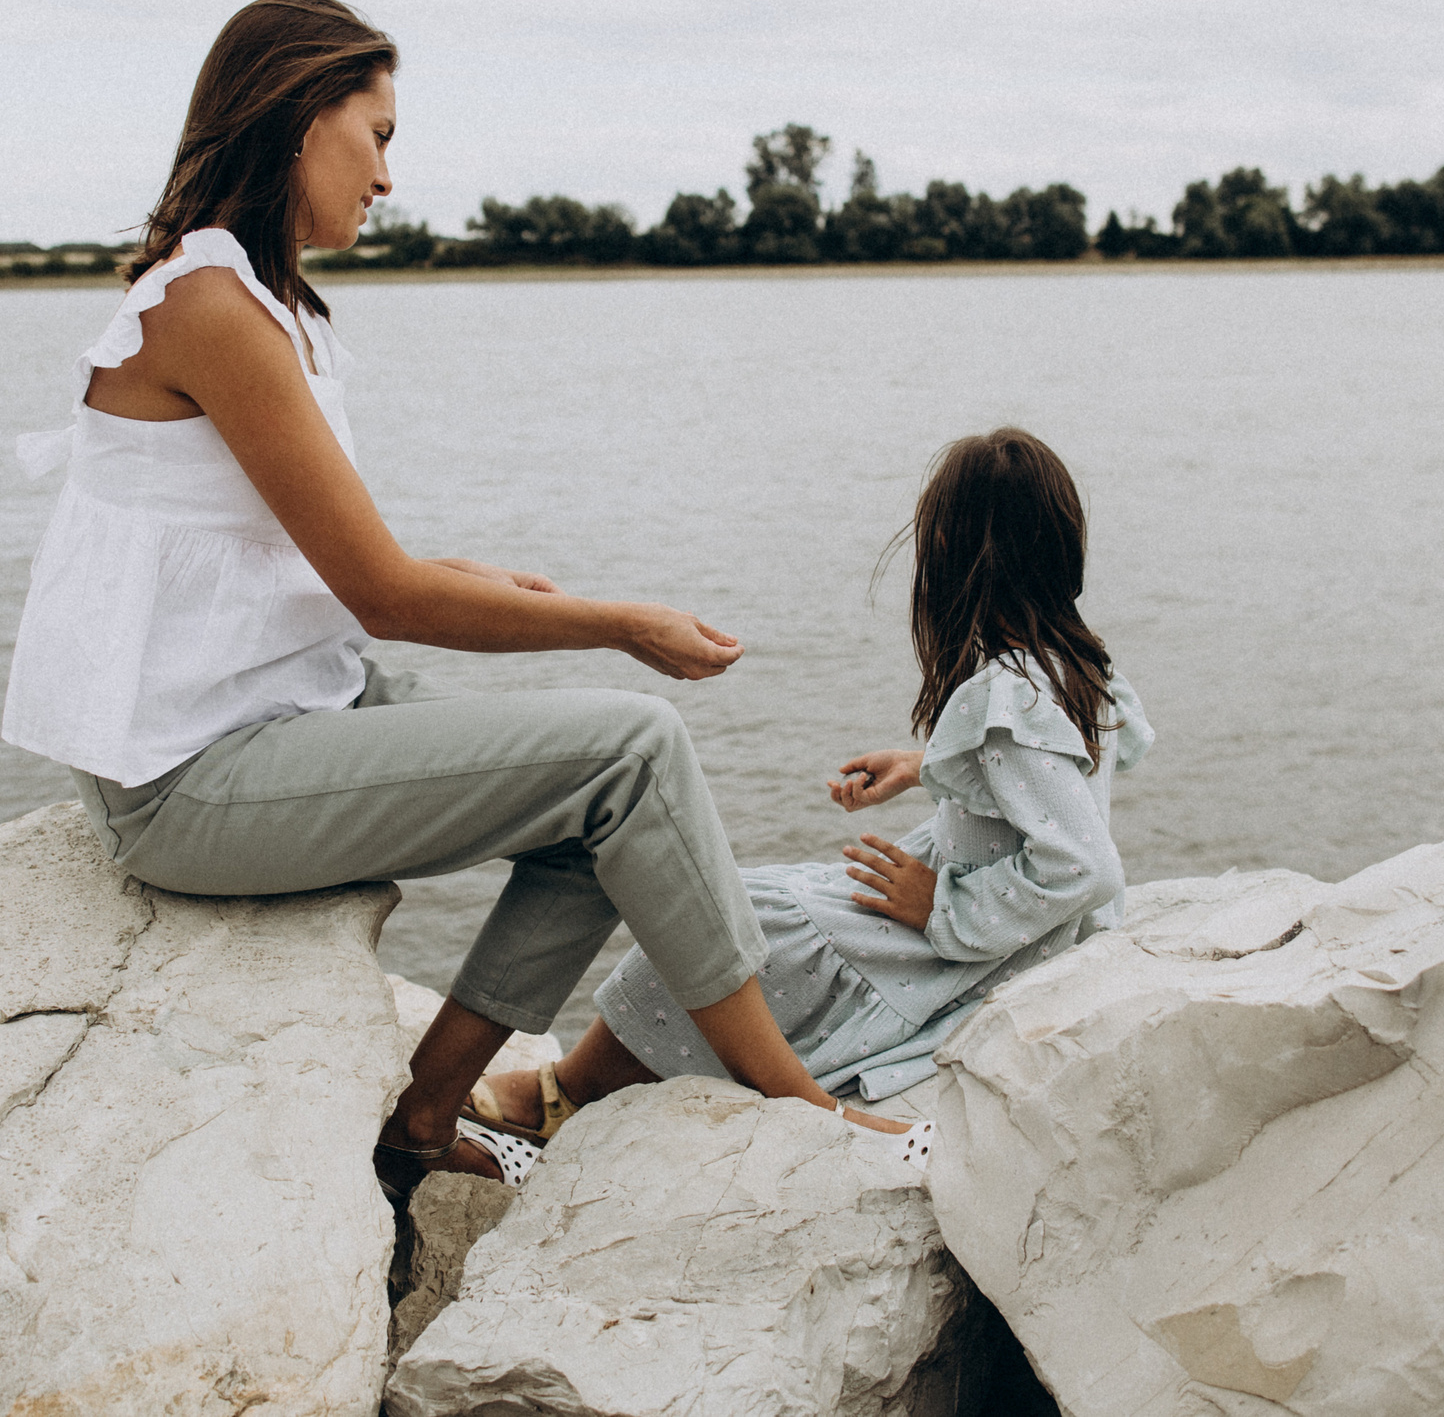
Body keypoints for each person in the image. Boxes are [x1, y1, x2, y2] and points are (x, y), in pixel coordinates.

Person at [1, 0, 905, 1194]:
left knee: (610, 809)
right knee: (629, 749)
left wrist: (460, 573)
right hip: (185, 785)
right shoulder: (208, 305)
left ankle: (425, 1117)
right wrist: (621, 625)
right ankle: (793, 1102)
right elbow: (382, 594)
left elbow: (270, 552)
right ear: (292, 121)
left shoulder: (250, 298)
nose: (386, 176)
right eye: (375, 135)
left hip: (278, 713)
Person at [468, 426, 1150, 1153]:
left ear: (946, 547)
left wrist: (943, 905)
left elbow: (1086, 863)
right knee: (766, 900)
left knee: (736, 914)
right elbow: (1056, 774)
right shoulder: (1075, 665)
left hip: (989, 939)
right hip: (1012, 925)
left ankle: (566, 1091)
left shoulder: (1008, 694)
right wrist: (928, 765)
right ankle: (582, 1083)